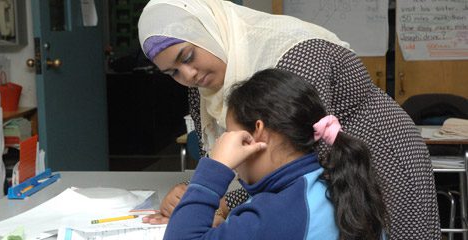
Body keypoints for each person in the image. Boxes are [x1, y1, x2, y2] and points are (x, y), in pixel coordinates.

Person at [138, 0, 441, 238]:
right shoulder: (203, 83)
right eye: (173, 73)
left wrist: (219, 199)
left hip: (375, 157)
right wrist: (203, 197)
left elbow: (293, 162)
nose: (188, 75)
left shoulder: (293, 56)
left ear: (208, 29)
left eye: (187, 57)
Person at [164, 68, 387, 240]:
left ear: (258, 133)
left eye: (231, 136)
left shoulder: (279, 212)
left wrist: (216, 165)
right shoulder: (328, 184)